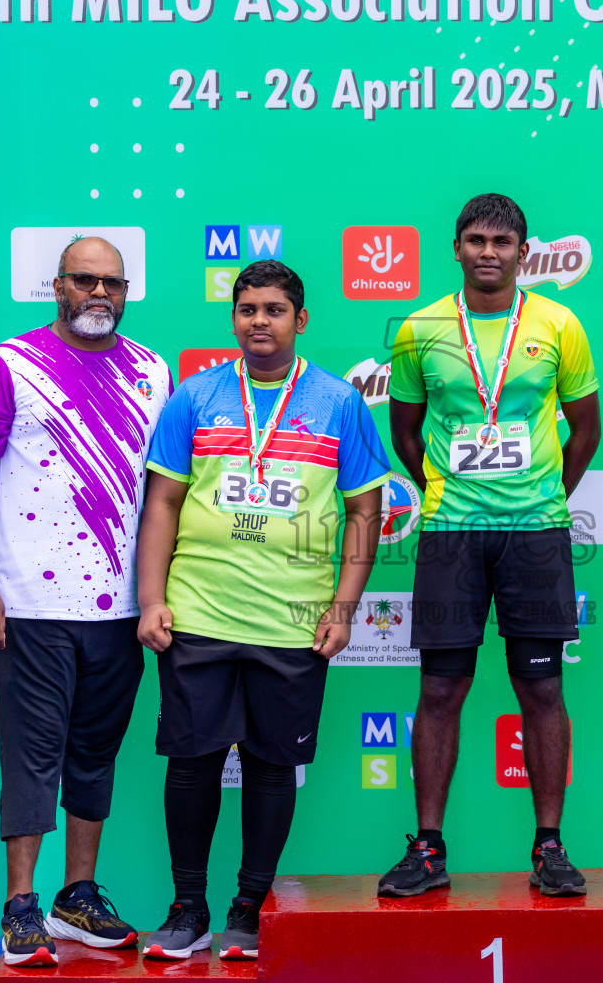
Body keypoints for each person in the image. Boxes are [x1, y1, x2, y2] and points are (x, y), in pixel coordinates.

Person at [135, 259, 388, 962]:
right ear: (234, 319)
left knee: (274, 767)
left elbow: (366, 509)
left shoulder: (339, 402)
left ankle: (249, 906)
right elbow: (163, 501)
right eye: (247, 310)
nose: (259, 322)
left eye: (274, 310)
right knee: (191, 764)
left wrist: (344, 607)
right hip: (200, 615)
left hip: (294, 622)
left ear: (300, 320)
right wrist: (152, 599)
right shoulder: (195, 397)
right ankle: (188, 908)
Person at [0, 236, 171, 967]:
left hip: (116, 611)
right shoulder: (7, 364)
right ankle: (21, 905)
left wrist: (152, 597)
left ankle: (77, 896)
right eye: (85, 279)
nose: (99, 293)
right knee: (32, 757)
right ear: (57, 285)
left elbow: (165, 493)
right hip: (29, 607)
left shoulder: (151, 371)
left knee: (94, 756)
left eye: (113, 282)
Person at [379, 193, 602, 899]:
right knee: (440, 689)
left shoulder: (558, 323)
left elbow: (586, 428)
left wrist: (545, 494)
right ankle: (429, 847)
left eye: (502, 241)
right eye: (475, 239)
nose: (488, 252)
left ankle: (549, 847)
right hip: (451, 533)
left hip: (535, 533)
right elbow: (406, 432)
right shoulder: (419, 329)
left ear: (523, 251)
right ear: (456, 247)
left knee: (541, 687)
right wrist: (444, 490)